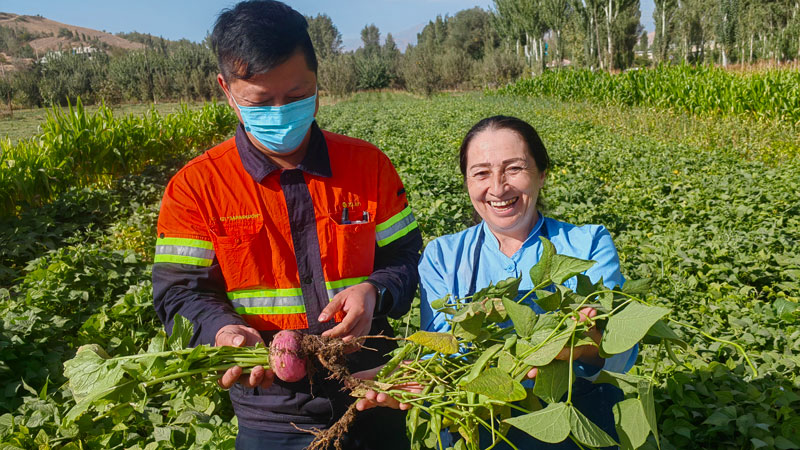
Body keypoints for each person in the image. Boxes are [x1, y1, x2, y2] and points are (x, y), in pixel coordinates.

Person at [151, 2, 422, 448]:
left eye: (297, 97)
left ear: (318, 82)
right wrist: (222, 330)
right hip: (270, 410)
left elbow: (407, 258)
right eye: (260, 101)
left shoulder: (368, 166)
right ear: (227, 90)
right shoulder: (196, 187)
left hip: (373, 391)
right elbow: (179, 291)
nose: (280, 113)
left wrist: (374, 291)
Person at [359, 116, 636, 448]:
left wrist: (578, 345)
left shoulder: (588, 243)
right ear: (466, 182)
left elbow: (618, 350)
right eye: (481, 173)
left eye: (514, 169)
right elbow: (441, 352)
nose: (498, 187)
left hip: (574, 422)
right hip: (477, 422)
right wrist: (417, 378)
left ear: (542, 174)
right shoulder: (444, 255)